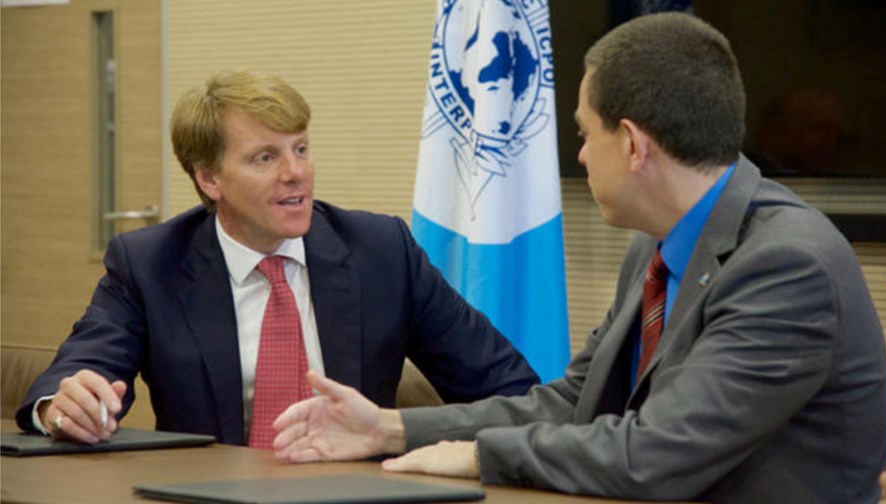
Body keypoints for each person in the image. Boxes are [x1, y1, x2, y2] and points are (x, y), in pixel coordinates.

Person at [269, 13, 886, 503]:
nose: (583, 157)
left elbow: (660, 454)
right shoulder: (655, 244)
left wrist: (483, 455)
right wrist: (390, 430)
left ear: (632, 145)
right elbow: (575, 401)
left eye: (584, 134)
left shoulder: (787, 267)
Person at [15, 70, 540, 448]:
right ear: (209, 178)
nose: (296, 174)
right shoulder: (150, 263)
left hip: (352, 494)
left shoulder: (383, 251)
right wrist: (62, 407)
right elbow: (80, 370)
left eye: (302, 149)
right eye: (266, 158)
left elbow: (511, 389)